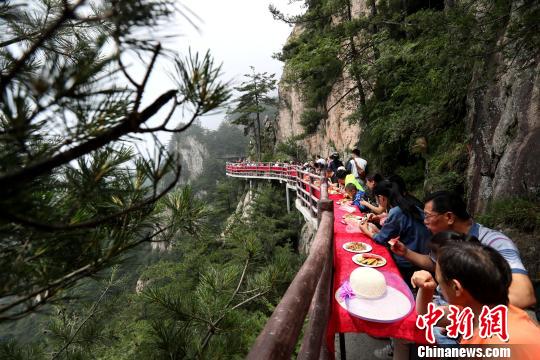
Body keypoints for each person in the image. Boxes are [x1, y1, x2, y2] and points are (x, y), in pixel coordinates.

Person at [390, 191, 536, 309]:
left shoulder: (495, 242)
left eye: (428, 216)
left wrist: (460, 315)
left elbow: (523, 295)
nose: (424, 221)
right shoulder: (445, 239)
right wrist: (406, 252)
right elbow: (435, 263)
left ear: (449, 217)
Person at [413, 241, 540, 358]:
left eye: (439, 280)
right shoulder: (478, 310)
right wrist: (426, 289)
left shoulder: (498, 346)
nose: (439, 285)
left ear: (456, 288)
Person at [358, 180, 431, 282]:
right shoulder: (411, 204)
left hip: (409, 263)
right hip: (424, 255)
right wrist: (379, 219)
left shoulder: (397, 211)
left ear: (381, 197)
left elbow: (381, 239)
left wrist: (365, 230)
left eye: (377, 199)